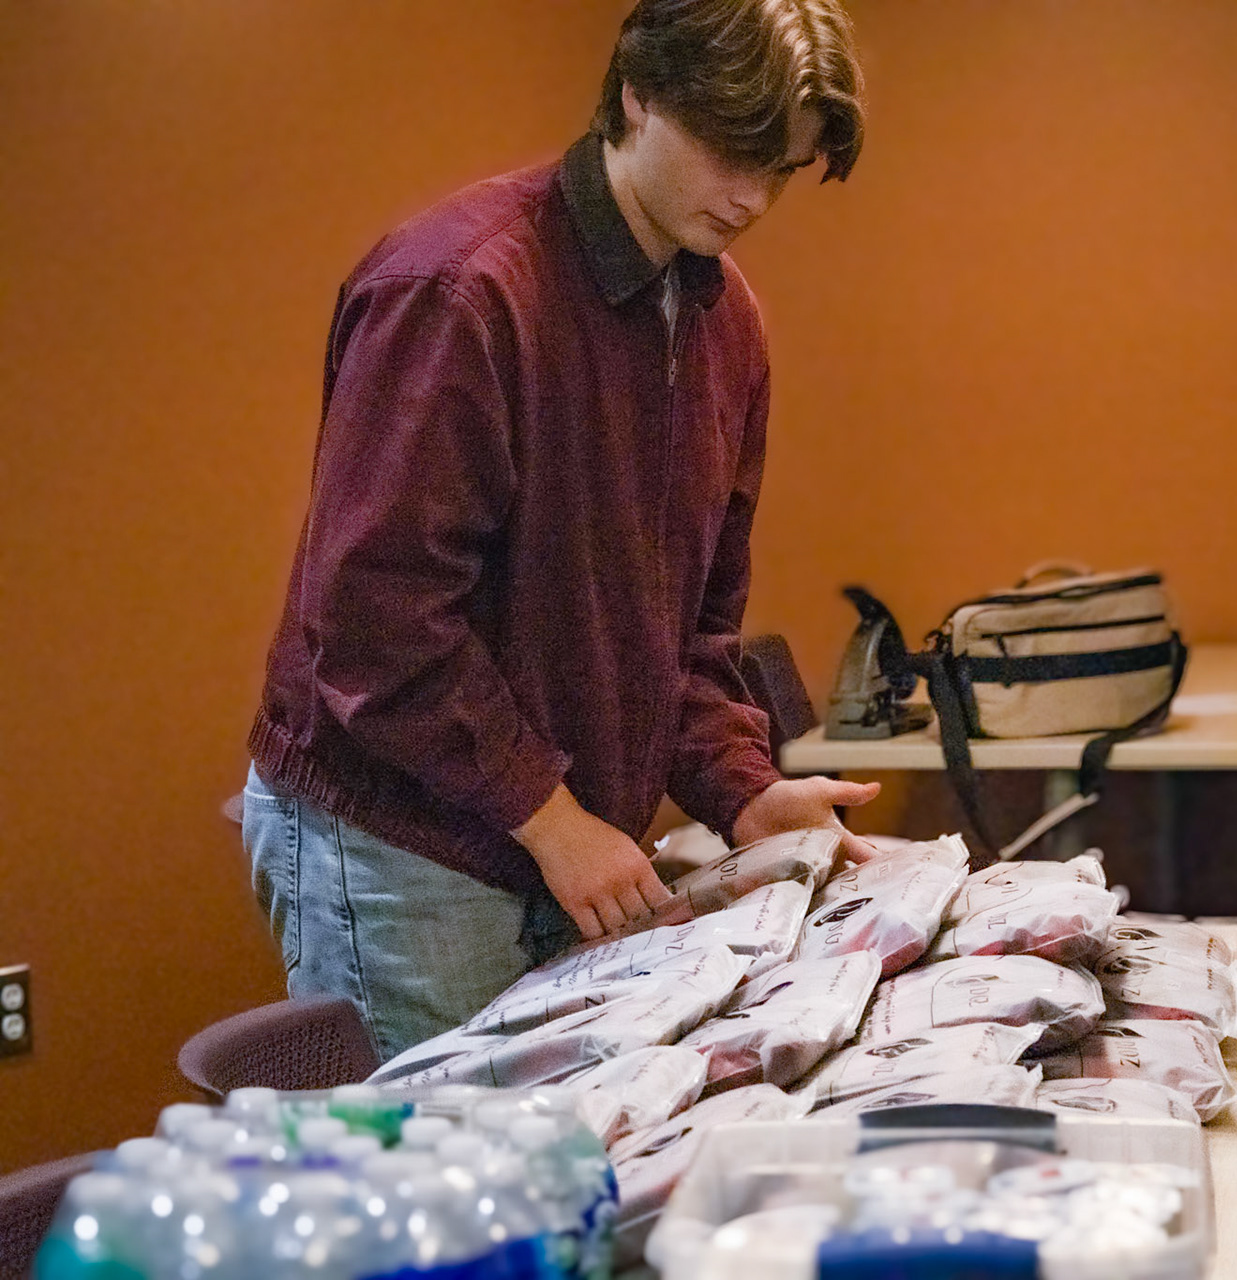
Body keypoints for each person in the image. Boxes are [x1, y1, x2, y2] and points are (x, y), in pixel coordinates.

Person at [242, 0, 879, 1062]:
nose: (753, 198)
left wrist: (745, 790)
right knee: (442, 1202)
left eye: (785, 169)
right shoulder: (461, 289)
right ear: (636, 94)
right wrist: (552, 818)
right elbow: (371, 621)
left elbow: (693, 632)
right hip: (407, 837)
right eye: (733, 153)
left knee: (559, 1184)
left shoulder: (727, 322)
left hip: (556, 827)